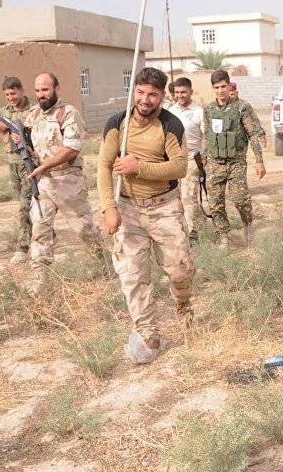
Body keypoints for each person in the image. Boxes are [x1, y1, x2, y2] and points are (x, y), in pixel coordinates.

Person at [97, 67, 194, 364]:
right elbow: (104, 165)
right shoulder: (117, 124)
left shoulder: (171, 125)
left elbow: (179, 167)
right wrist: (109, 207)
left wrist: (139, 167)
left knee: (180, 270)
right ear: (133, 91)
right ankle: (147, 331)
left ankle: (182, 303)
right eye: (140, 92)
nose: (145, 99)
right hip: (127, 208)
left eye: (152, 94)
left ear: (162, 96)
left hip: (164, 207)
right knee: (133, 275)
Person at [17, 72, 109, 293]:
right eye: (38, 90)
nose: (41, 94)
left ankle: (108, 264)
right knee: (40, 229)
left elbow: (71, 149)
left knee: (84, 229)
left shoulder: (68, 113)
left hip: (67, 180)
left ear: (57, 89)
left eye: (45, 89)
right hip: (43, 181)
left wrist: (43, 166)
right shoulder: (33, 115)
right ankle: (40, 277)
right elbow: (30, 145)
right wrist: (20, 141)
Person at [203, 72, 267, 248]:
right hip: (215, 162)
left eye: (223, 86)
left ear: (229, 85)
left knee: (240, 198)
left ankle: (248, 224)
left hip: (236, 162)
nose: (220, 91)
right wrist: (204, 161)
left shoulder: (241, 107)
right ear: (213, 88)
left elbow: (253, 133)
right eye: (216, 87)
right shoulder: (209, 109)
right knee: (215, 202)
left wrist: (259, 160)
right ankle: (223, 235)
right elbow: (207, 136)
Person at [0, 76, 33, 264]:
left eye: (13, 93)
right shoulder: (3, 112)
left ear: (22, 91)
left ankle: (23, 247)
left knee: (25, 205)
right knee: (26, 203)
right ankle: (45, 233)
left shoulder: (33, 110)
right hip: (12, 164)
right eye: (7, 95)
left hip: (29, 162)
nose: (11, 98)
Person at [167, 77, 207, 246]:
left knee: (188, 197)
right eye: (177, 92)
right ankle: (194, 223)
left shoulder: (199, 112)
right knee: (174, 197)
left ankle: (192, 234)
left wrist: (205, 161)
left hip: (192, 160)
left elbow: (207, 138)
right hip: (172, 161)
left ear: (191, 92)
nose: (180, 96)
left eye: (183, 92)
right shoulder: (170, 111)